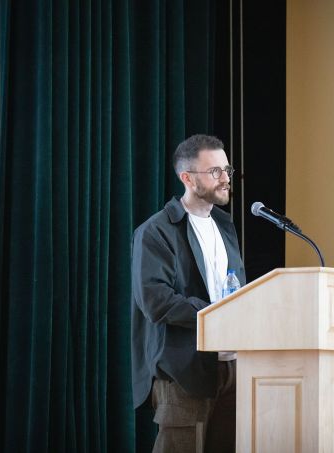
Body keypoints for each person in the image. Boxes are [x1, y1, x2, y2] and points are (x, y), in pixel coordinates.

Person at [131, 134, 246, 453]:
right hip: (184, 372)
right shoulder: (156, 231)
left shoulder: (225, 226)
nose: (225, 178)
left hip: (233, 370)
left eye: (227, 170)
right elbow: (156, 302)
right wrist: (216, 316)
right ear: (187, 178)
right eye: (215, 172)